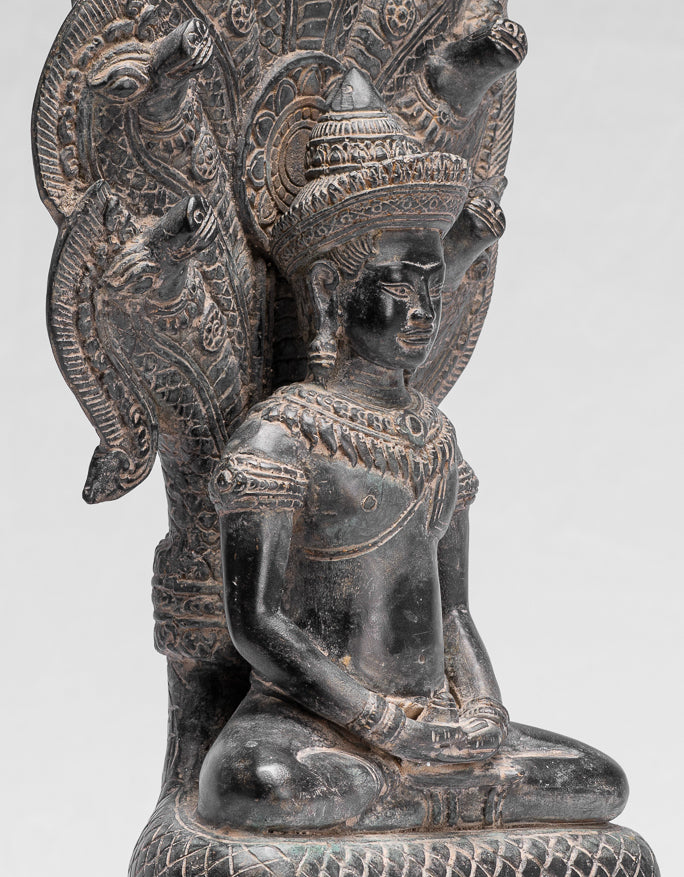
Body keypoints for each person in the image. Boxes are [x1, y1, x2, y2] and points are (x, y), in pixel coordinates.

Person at [197, 69, 627, 833]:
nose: (425, 308)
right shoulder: (281, 436)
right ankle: (419, 797)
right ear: (328, 292)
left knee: (599, 783)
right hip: (311, 725)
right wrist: (383, 724)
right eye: (399, 282)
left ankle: (409, 797)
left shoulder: (436, 436)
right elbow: (257, 623)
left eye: (434, 283)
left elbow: (454, 609)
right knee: (260, 785)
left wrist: (484, 711)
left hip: (434, 724)